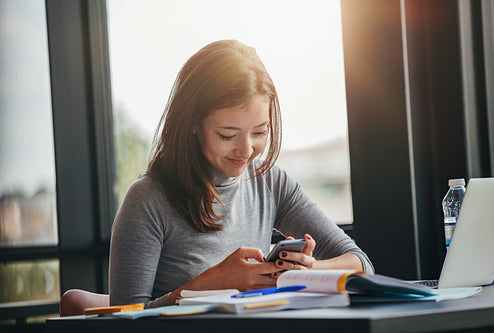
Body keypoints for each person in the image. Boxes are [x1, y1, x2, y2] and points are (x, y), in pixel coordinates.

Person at [109, 39, 374, 308]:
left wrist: (309, 269)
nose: (246, 150)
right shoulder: (148, 199)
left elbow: (361, 264)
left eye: (259, 132)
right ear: (192, 123)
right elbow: (122, 319)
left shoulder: (270, 183)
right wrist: (208, 285)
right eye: (227, 135)